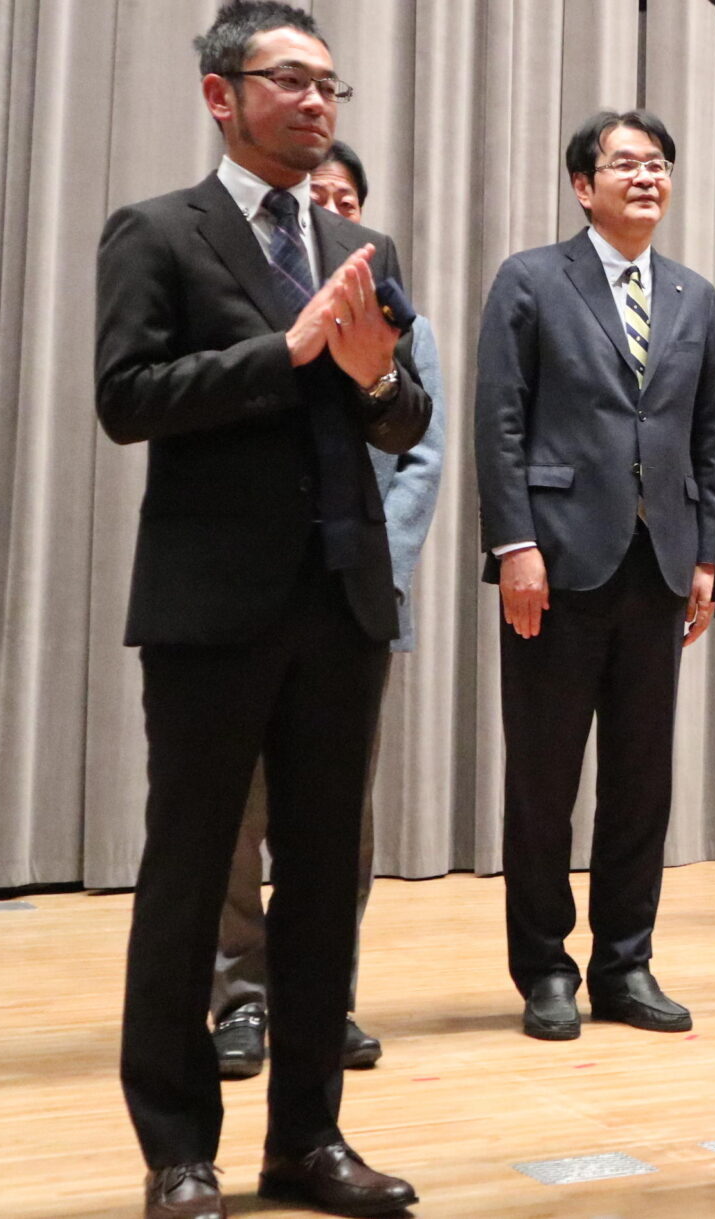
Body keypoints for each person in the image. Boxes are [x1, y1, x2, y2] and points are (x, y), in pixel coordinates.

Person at [96, 0, 430, 1219]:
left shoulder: (363, 244)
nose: (314, 102)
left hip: (341, 603)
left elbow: (405, 420)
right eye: (287, 80)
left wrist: (375, 376)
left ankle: (309, 1140)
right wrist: (283, 354)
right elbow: (126, 396)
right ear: (219, 95)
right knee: (187, 878)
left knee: (325, 883)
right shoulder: (158, 231)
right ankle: (178, 1149)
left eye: (328, 85)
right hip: (210, 605)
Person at [477, 108, 715, 1041]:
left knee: (642, 779)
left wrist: (708, 552)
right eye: (626, 164)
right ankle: (545, 966)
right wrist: (514, 545)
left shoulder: (694, 296)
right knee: (544, 779)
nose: (646, 178)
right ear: (583, 184)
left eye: (658, 164)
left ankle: (627, 962)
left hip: (659, 564)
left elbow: (710, 436)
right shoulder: (532, 280)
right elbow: (498, 422)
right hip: (556, 560)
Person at [211, 141, 445, 1081]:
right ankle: (242, 996)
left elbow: (419, 446)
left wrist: (378, 559)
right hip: (251, 586)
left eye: (346, 198)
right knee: (240, 807)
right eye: (317, 195)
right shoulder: (247, 290)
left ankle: (324, 992)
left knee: (339, 814)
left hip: (359, 588)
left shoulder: (390, 296)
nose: (331, 209)